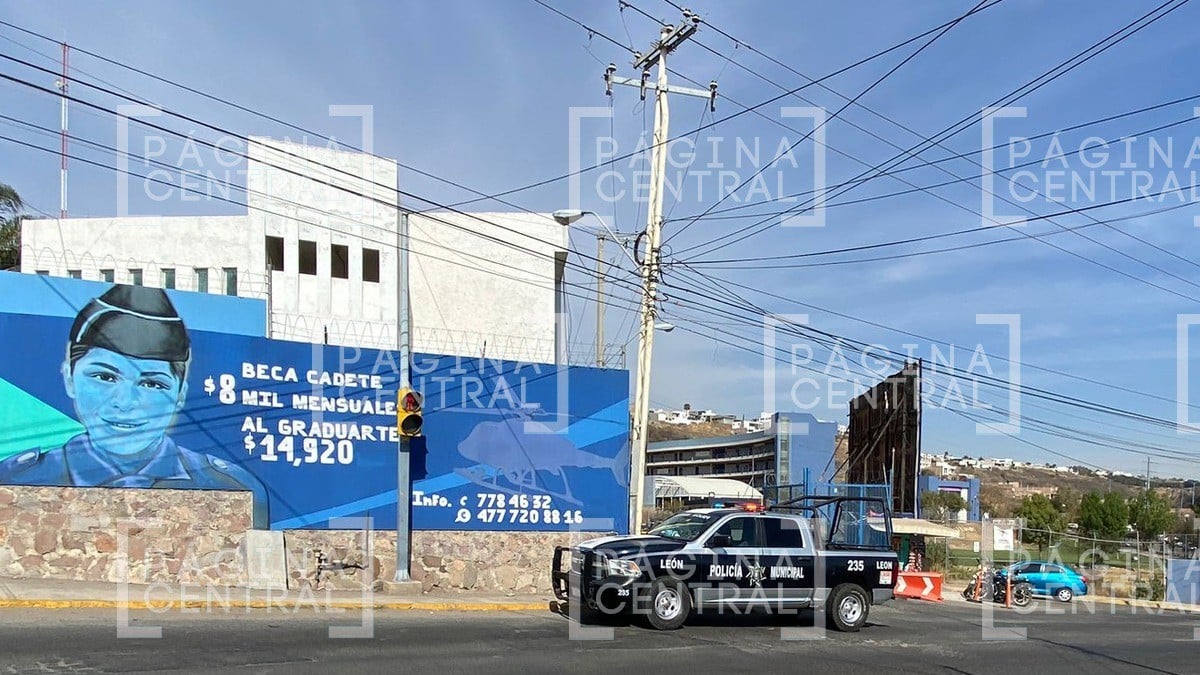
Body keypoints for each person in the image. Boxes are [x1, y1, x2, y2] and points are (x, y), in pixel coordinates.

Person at [0, 284, 270, 528]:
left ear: (180, 394)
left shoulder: (235, 489)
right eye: (104, 377)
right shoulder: (14, 480)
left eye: (152, 384)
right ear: (69, 377)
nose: (126, 403)